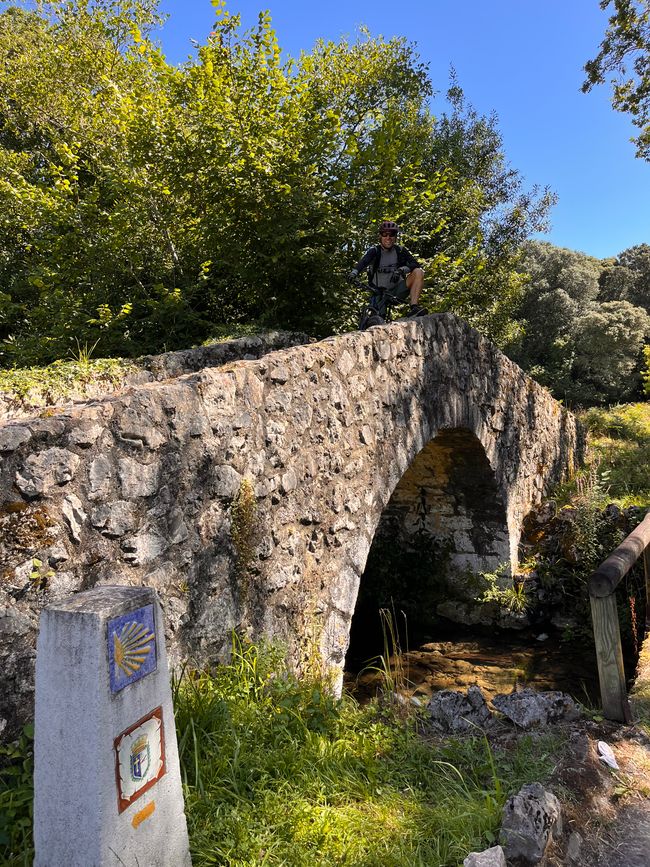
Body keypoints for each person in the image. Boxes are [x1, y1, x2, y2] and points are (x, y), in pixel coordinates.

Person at [347, 220, 427, 321]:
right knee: (378, 318)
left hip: (396, 291)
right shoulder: (375, 251)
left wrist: (401, 270)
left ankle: (414, 307)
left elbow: (415, 264)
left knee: (418, 272)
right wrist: (353, 273)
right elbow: (363, 262)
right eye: (385, 234)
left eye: (392, 234)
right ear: (380, 236)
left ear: (395, 237)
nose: (388, 238)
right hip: (379, 292)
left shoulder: (401, 251)